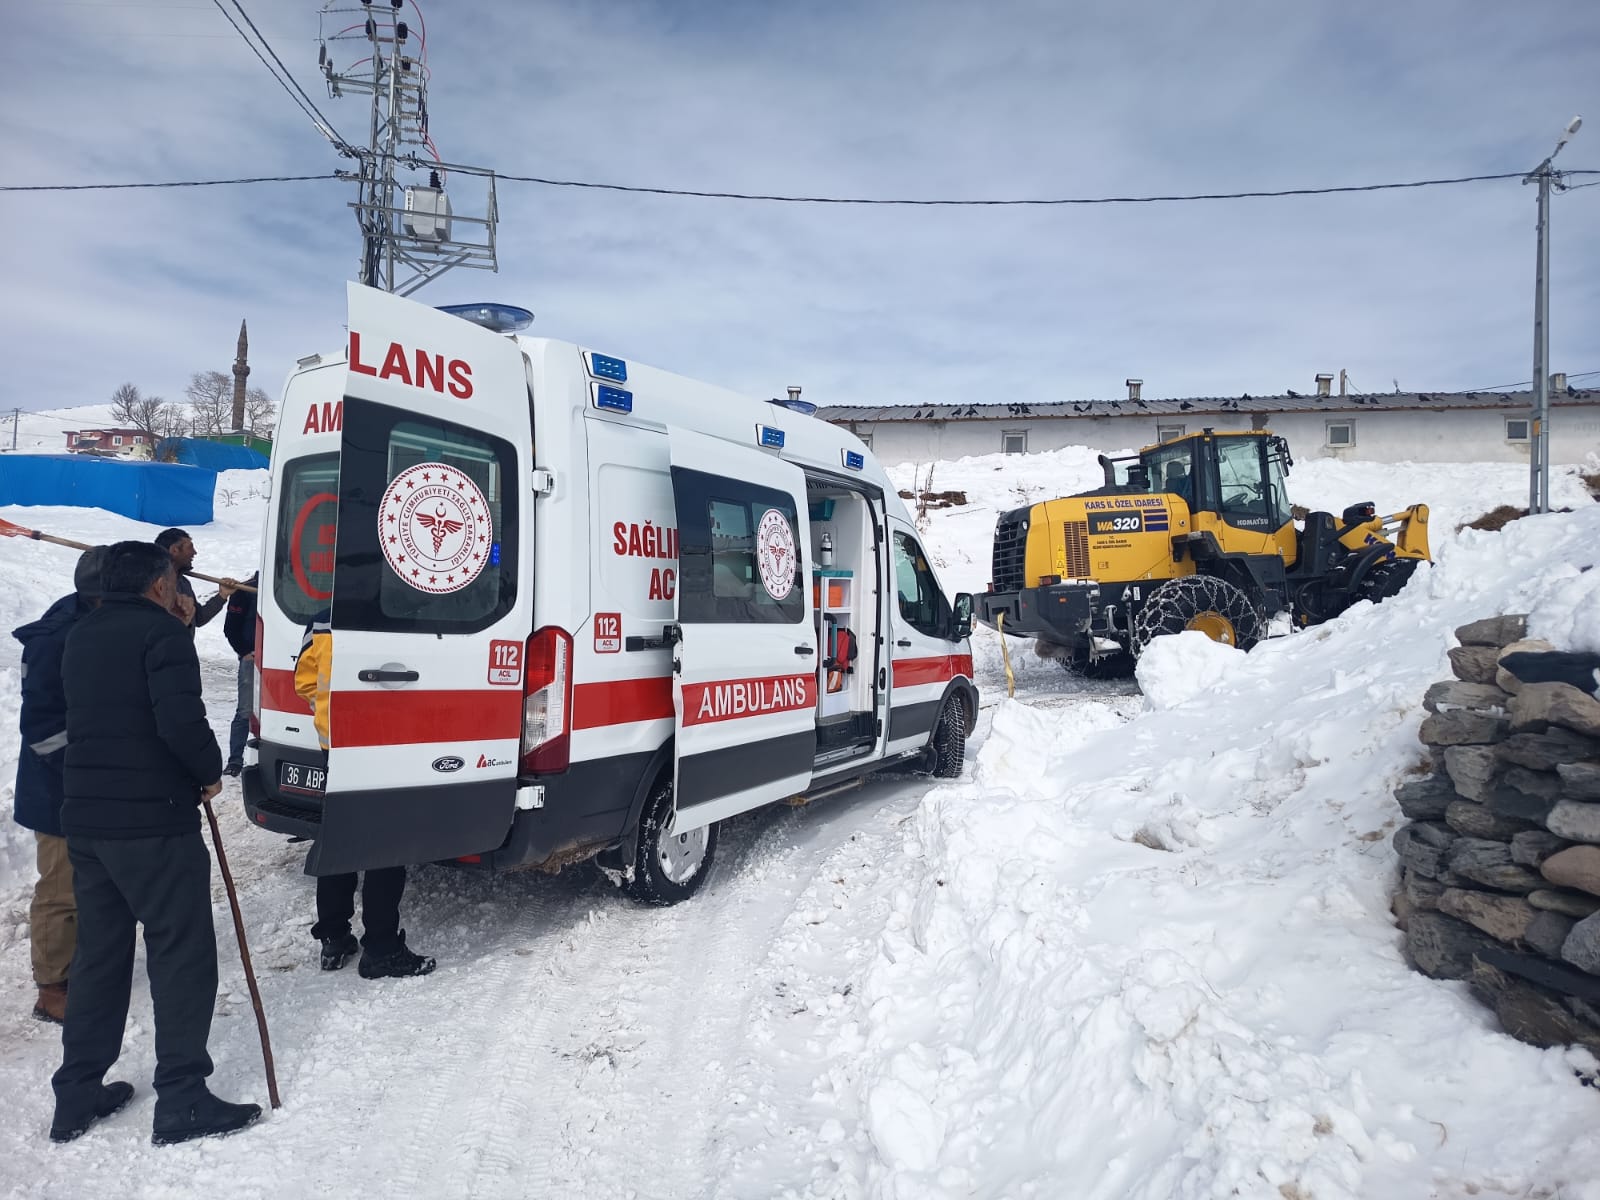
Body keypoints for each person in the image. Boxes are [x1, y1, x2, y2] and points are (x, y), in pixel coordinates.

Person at [50, 540, 260, 1146]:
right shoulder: (162, 635)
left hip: (88, 822)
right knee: (181, 951)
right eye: (172, 579)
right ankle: (183, 1099)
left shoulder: (81, 634)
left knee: (99, 957)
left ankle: (77, 1093)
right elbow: (180, 721)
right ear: (159, 584)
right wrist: (208, 771)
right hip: (152, 822)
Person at [294, 611, 435, 980]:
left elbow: (304, 683)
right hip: (382, 743)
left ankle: (333, 939)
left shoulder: (321, 621)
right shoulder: (397, 616)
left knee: (340, 838)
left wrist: (329, 716)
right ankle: (382, 949)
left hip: (335, 744)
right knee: (386, 846)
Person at [12, 546, 106, 1025]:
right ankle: (51, 989)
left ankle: (80, 967)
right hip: (58, 790)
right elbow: (43, 729)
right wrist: (87, 763)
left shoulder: (89, 622)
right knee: (61, 890)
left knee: (89, 883)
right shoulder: (57, 639)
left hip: (86, 784)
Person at [153, 528, 239, 635]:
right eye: (190, 547)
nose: (194, 552)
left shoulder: (183, 583)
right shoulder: (152, 584)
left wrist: (222, 595)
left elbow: (199, 618)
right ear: (174, 550)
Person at [221, 572, 260, 777]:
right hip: (251, 659)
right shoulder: (244, 590)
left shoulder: (288, 588)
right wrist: (244, 651)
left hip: (281, 659)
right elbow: (230, 628)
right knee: (245, 709)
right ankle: (235, 760)